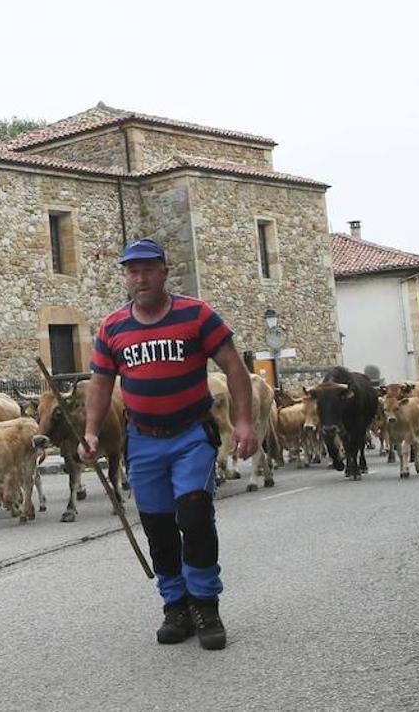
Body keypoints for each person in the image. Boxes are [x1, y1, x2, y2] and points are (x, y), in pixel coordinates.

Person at [79, 238, 256, 651]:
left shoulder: (197, 315)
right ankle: (175, 605)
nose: (139, 278)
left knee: (193, 515)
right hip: (142, 440)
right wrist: (90, 432)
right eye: (131, 270)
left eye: (147, 269)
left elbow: (234, 368)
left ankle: (206, 606)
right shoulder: (113, 327)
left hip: (191, 434)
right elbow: (101, 384)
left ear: (163, 271)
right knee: (159, 528)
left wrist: (244, 422)